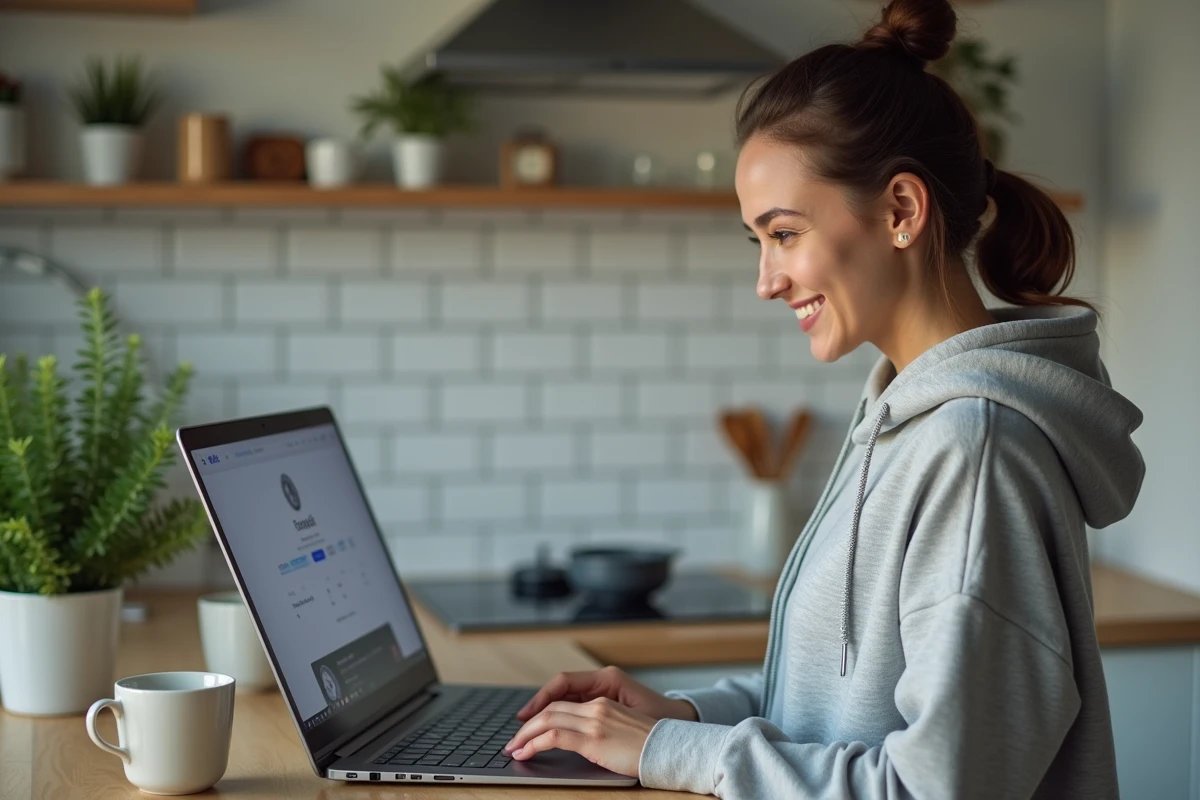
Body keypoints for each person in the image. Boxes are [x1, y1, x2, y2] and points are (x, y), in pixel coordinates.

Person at [502, 0, 1145, 796]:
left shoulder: (974, 450)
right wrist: (679, 719)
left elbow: (934, 787)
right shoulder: (901, 420)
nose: (766, 281)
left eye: (784, 233)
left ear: (902, 210)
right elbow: (836, 711)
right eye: (758, 240)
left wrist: (671, 752)